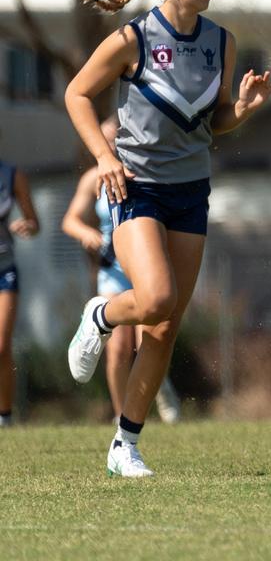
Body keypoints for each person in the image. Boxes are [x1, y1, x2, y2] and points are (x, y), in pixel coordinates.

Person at [63, 0, 271, 477]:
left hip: (191, 192)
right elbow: (77, 94)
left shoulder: (221, 42)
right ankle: (102, 314)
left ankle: (124, 445)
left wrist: (246, 109)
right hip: (137, 186)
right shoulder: (132, 39)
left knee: (165, 325)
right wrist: (103, 158)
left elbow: (217, 119)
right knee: (155, 297)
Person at [61, 117, 180, 423]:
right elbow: (70, 220)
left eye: (116, 139)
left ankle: (160, 384)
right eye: (105, 139)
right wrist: (86, 233)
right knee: (117, 349)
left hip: (142, 264)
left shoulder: (141, 173)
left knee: (151, 339)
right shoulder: (92, 179)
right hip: (112, 269)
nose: (111, 145)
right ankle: (120, 413)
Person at [0, 143, 40, 427]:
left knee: (1, 346)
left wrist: (27, 225)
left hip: (5, 269)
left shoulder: (12, 175)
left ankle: (4, 416)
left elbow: (34, 221)